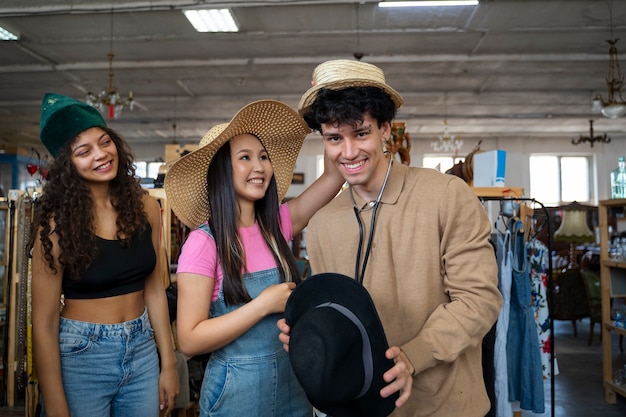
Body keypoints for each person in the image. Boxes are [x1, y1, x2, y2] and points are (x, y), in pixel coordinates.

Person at [278, 59, 503, 417]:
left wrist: (414, 356)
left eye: (361, 133)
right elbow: (334, 308)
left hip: (444, 407)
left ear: (385, 129)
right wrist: (308, 331)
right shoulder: (321, 224)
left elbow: (480, 300)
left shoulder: (447, 195)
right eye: (335, 138)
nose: (348, 152)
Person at [163, 99, 345, 417]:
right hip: (236, 389)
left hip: (293, 383)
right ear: (222, 170)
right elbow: (189, 339)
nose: (259, 167)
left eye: (263, 157)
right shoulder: (203, 243)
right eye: (245, 158)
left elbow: (333, 179)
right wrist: (263, 304)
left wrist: (328, 118)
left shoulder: (276, 224)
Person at [30, 93, 179, 417]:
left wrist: (168, 363)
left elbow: (153, 289)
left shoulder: (146, 207)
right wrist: (55, 406)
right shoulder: (55, 224)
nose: (101, 154)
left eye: (104, 141)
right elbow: (43, 322)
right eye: (84, 151)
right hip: (80, 355)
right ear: (67, 164)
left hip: (141, 350)